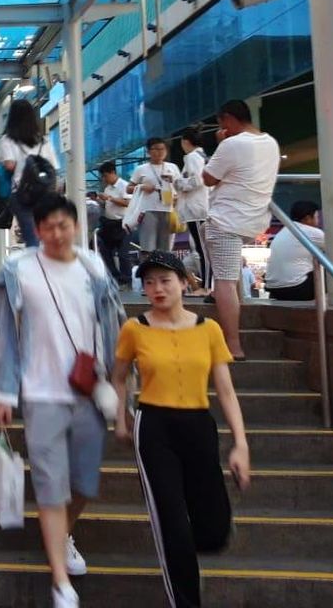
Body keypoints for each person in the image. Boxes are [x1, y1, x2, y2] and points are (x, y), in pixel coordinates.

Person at [0, 193, 126, 608]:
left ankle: (62, 534)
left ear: (75, 225)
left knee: (84, 482)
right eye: (46, 226)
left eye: (62, 225)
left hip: (87, 391)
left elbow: (115, 327)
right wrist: (4, 391)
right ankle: (60, 580)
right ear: (35, 229)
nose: (55, 234)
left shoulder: (94, 268)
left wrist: (120, 388)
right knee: (51, 487)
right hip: (39, 394)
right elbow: (3, 335)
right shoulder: (17, 269)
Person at [112, 251, 250, 608]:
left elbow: (226, 390)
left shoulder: (209, 329)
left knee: (213, 528)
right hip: (154, 426)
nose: (157, 288)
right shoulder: (134, 328)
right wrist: (120, 417)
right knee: (171, 520)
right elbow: (119, 377)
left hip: (199, 424)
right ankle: (185, 602)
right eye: (149, 282)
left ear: (185, 283)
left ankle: (202, 535)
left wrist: (240, 443)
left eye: (165, 280)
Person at [202, 100, 280, 360]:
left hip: (226, 220)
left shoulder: (231, 144)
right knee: (231, 277)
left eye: (222, 123)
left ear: (227, 118)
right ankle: (235, 333)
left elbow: (208, 178)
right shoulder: (270, 142)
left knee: (224, 282)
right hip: (254, 219)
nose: (222, 128)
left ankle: (233, 344)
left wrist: (219, 143)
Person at [0, 98, 59, 248]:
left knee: (31, 235)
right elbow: (53, 168)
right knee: (46, 233)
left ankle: (36, 267)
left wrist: (2, 163)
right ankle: (49, 266)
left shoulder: (7, 140)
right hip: (44, 193)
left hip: (22, 192)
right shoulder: (44, 141)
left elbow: (10, 165)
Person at [128, 137, 182, 253]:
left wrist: (177, 196)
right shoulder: (141, 169)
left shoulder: (172, 167)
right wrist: (142, 187)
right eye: (156, 149)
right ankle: (148, 269)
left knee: (166, 248)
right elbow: (128, 189)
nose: (160, 152)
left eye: (162, 149)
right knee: (148, 247)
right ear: (148, 151)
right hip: (148, 210)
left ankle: (165, 270)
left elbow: (180, 186)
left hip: (168, 210)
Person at [175, 127, 211, 294]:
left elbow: (197, 180)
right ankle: (207, 284)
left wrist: (178, 183)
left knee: (202, 249)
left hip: (196, 210)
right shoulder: (202, 156)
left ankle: (206, 286)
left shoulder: (192, 157)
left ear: (185, 141)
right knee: (203, 248)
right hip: (201, 207)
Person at [267, 201, 324, 301]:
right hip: (298, 289)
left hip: (275, 291)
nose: (318, 221)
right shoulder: (312, 232)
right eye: (316, 217)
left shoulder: (283, 231)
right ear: (307, 218)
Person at [96, 161, 132, 288]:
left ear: (113, 173)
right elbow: (108, 205)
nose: (104, 179)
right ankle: (115, 276)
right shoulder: (107, 189)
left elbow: (127, 203)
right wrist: (101, 201)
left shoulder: (124, 186)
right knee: (104, 250)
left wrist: (110, 198)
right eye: (103, 177)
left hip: (122, 223)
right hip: (109, 223)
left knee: (123, 254)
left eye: (105, 176)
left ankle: (126, 279)